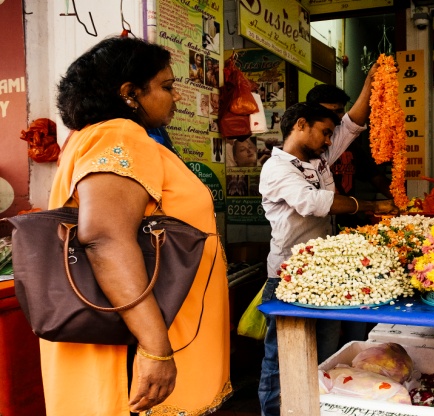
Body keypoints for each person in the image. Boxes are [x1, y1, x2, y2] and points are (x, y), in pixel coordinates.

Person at [50, 36, 230, 415]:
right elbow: (104, 238)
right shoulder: (118, 135)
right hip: (137, 349)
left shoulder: (90, 139)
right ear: (130, 93)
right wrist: (154, 348)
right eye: (166, 87)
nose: (175, 97)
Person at [258, 67, 392, 416]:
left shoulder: (318, 162)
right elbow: (312, 203)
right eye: (324, 132)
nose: (330, 141)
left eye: (331, 135)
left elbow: (352, 126)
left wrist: (370, 83)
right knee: (283, 357)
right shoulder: (277, 169)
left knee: (326, 354)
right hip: (287, 277)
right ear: (300, 125)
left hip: (325, 278)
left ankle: (318, 409)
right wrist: (370, 206)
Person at [306, 83, 393, 230]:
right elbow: (317, 203)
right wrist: (372, 205)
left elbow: (352, 124)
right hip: (305, 242)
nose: (333, 118)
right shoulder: (288, 162)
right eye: (326, 113)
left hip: (345, 223)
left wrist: (402, 201)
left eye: (338, 112)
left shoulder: (344, 143)